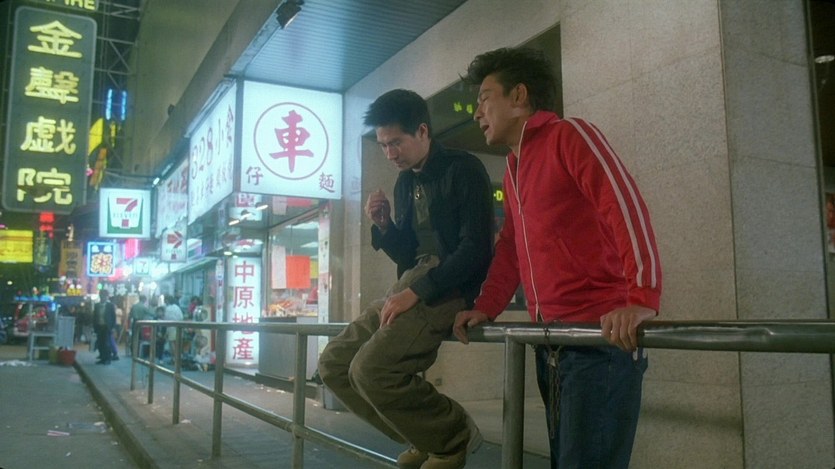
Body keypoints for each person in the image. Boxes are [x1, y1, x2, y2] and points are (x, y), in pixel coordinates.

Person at [453, 47, 663, 469]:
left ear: (519, 96)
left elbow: (623, 204)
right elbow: (511, 247)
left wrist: (642, 296)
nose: (477, 113)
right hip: (551, 342)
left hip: (600, 339)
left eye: (485, 99)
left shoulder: (569, 135)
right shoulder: (513, 169)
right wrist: (487, 306)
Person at [318, 89, 495, 469]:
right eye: (383, 145)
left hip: (449, 288)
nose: (390, 153)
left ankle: (452, 436)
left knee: (370, 369)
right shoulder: (404, 183)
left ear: (423, 131)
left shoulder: (463, 169)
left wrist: (417, 291)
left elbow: (477, 249)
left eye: (396, 142)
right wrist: (384, 226)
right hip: (411, 283)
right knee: (333, 364)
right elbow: (409, 253)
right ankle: (422, 435)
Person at [93, 290, 117, 365]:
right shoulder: (97, 305)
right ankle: (102, 358)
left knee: (107, 343)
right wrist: (94, 327)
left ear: (107, 297)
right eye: (101, 295)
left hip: (107, 327)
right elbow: (94, 317)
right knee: (100, 343)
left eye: (104, 296)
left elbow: (113, 317)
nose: (103, 297)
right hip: (99, 327)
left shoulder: (110, 305)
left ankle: (108, 359)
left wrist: (113, 327)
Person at [163, 294, 184, 362]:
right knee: (178, 343)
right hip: (179, 326)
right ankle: (179, 356)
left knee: (172, 343)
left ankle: (174, 358)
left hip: (171, 327)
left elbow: (165, 319)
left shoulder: (167, 309)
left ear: (167, 300)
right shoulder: (177, 307)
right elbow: (181, 317)